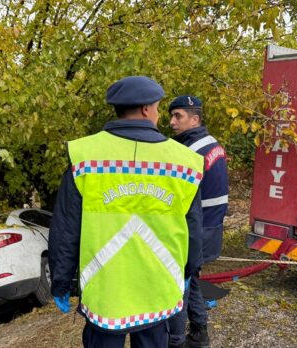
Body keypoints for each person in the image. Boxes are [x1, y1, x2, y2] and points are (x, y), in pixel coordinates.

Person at [48, 76, 204, 348]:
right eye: (157, 108)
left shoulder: (85, 156)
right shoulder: (186, 163)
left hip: (106, 292)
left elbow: (66, 228)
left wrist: (61, 282)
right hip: (158, 289)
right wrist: (189, 269)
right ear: (146, 109)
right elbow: (193, 229)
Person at [167, 95, 229, 348]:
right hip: (210, 228)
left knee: (178, 287)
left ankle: (176, 340)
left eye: (178, 116)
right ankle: (200, 333)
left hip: (194, 230)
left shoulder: (188, 151)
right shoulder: (213, 144)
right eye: (171, 115)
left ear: (195, 118)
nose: (172, 122)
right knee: (191, 281)